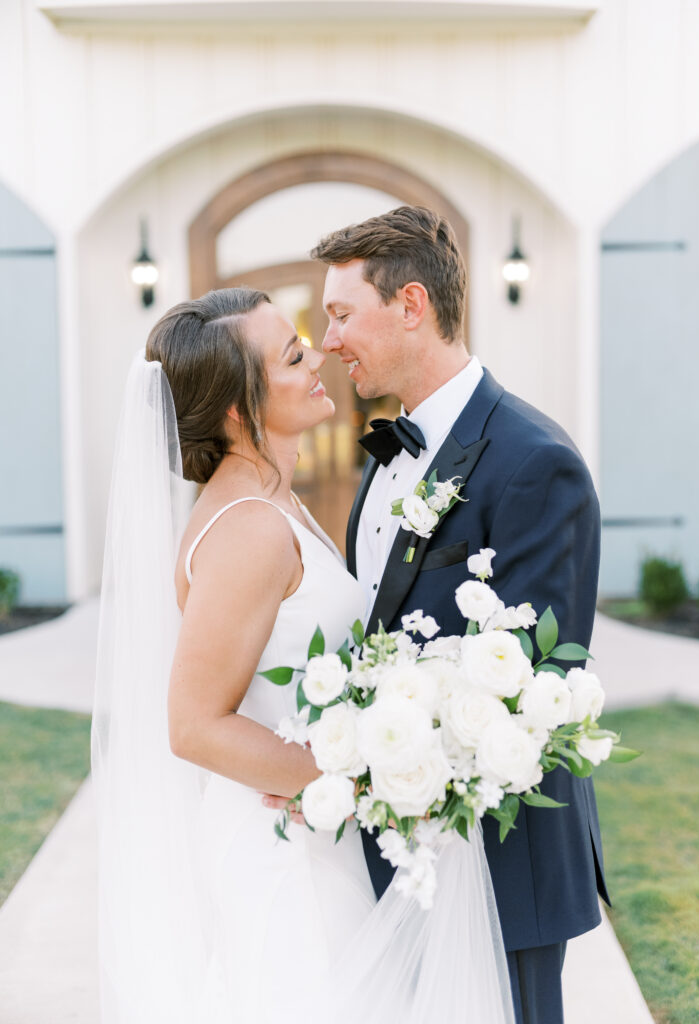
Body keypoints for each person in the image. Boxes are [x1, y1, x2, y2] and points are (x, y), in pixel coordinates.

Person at [92, 285, 515, 1024]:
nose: (317, 353)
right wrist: (356, 780)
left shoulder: (270, 500)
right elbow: (193, 724)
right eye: (291, 355)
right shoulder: (248, 528)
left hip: (307, 830)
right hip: (281, 852)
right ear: (237, 406)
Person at [309, 205, 610, 1024]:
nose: (329, 340)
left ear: (412, 305)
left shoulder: (534, 463)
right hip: (400, 851)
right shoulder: (387, 458)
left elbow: (539, 683)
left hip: (500, 865)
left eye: (341, 314)